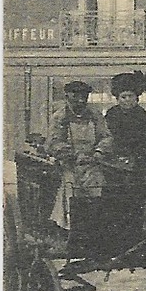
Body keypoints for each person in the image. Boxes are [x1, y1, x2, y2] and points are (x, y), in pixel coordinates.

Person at [46, 80, 105, 231]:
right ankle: (69, 232)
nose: (80, 100)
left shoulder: (95, 115)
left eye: (83, 97)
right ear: (67, 97)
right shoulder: (60, 117)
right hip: (69, 165)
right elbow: (54, 142)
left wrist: (99, 152)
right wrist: (73, 155)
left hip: (92, 165)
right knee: (70, 196)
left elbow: (106, 136)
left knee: (96, 195)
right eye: (76, 96)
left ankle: (92, 231)